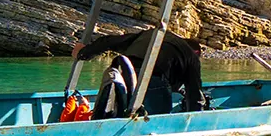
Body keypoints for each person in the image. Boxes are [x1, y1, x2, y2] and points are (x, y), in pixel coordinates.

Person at [74, 28, 207, 114]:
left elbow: (109, 41)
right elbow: (194, 94)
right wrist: (196, 120)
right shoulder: (191, 56)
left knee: (121, 114)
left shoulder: (152, 35)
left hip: (124, 75)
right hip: (154, 81)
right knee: (156, 125)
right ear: (196, 52)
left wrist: (82, 53)